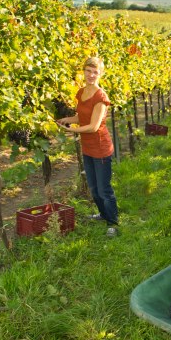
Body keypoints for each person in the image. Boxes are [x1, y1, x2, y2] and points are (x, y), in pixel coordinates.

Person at [57, 57, 120, 238]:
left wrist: (72, 131)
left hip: (100, 147)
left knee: (104, 189)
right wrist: (66, 121)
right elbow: (80, 116)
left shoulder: (101, 97)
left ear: (100, 74)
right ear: (83, 71)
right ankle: (103, 214)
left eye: (95, 72)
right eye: (88, 71)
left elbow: (93, 126)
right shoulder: (81, 92)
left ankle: (113, 222)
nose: (91, 75)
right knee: (93, 187)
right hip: (87, 147)